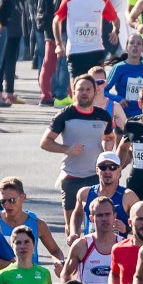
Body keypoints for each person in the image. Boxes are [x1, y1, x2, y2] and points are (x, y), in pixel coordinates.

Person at [40, 74, 117, 237]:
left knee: (98, 222)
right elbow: (45, 142)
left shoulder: (103, 116)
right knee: (72, 226)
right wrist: (66, 149)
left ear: (95, 91)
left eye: (88, 89)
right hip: (72, 176)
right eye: (80, 89)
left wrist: (108, 147)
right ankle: (74, 251)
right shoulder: (65, 115)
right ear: (73, 92)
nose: (84, 93)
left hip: (96, 176)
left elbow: (109, 136)